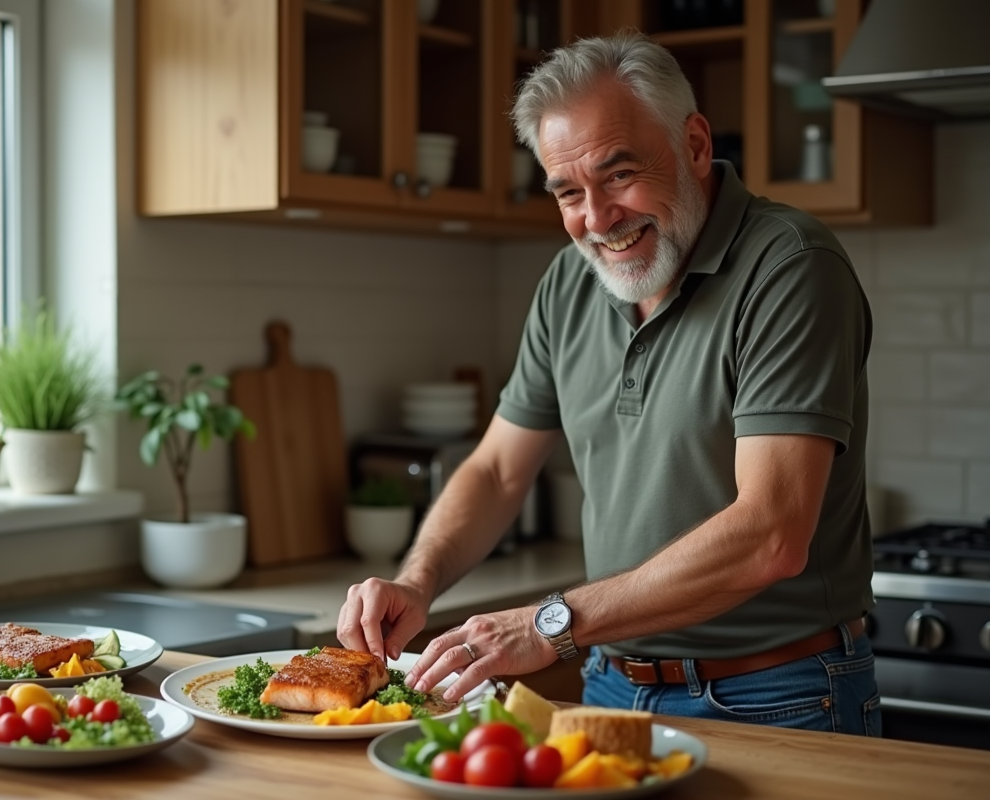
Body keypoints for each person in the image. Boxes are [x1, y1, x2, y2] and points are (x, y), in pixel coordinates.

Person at [336, 31, 880, 735]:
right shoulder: (570, 283)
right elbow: (500, 470)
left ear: (693, 143)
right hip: (607, 684)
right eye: (568, 192)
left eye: (619, 175)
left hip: (778, 694)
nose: (597, 219)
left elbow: (771, 534)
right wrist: (417, 579)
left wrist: (550, 622)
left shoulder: (791, 268)